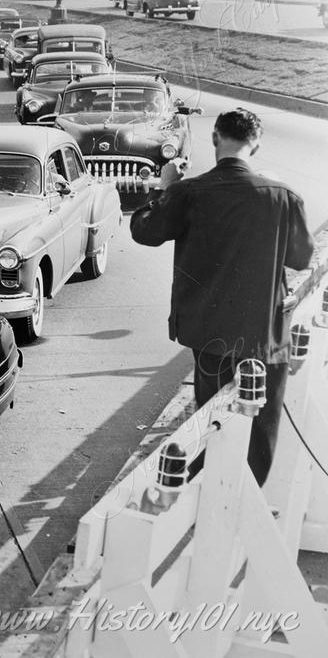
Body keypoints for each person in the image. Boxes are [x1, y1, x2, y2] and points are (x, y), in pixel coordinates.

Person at [130, 108, 314, 486]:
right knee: (260, 430)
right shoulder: (284, 196)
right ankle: (249, 502)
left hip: (209, 335)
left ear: (215, 139)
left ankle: (209, 497)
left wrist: (163, 186)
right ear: (257, 145)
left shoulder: (188, 192)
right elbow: (301, 258)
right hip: (265, 335)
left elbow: (144, 232)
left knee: (211, 420)